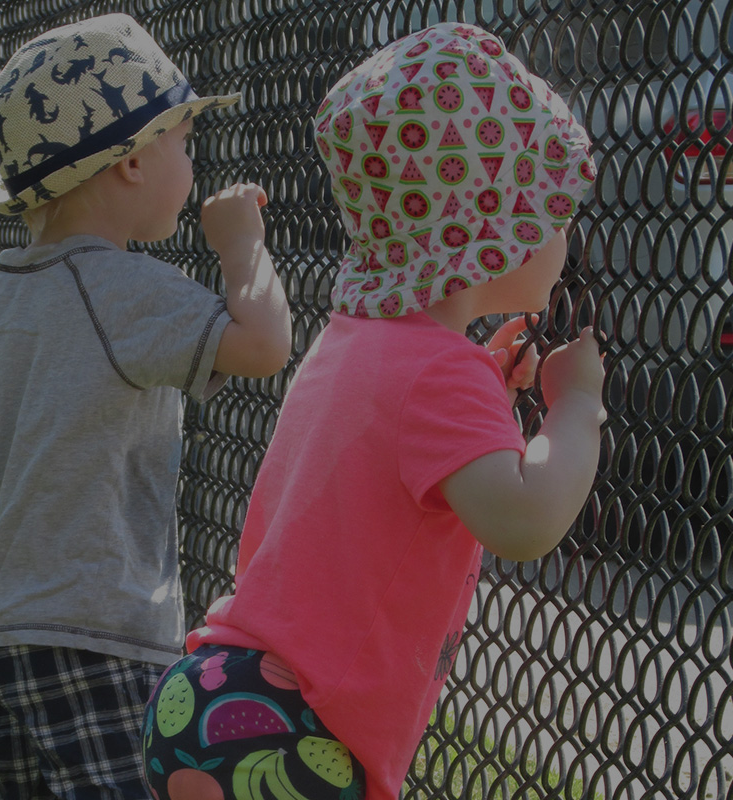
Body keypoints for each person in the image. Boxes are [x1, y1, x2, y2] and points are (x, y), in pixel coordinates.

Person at [143, 22, 605, 800]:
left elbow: (395, 454)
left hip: (214, 694)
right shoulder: (442, 375)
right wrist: (577, 405)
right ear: (499, 235)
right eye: (554, 214)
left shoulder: (356, 339)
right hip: (295, 733)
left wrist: (490, 392)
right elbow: (525, 521)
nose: (565, 237)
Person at [0, 13, 293, 800]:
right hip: (94, 626)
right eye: (184, 140)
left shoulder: (4, 284)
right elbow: (264, 345)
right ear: (133, 163)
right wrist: (241, 245)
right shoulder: (122, 287)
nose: (192, 160)